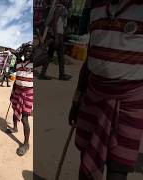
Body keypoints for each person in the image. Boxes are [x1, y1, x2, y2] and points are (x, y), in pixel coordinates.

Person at [68, 0, 143, 179]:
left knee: (118, 167)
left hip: (130, 101)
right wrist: (76, 100)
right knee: (87, 157)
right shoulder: (97, 9)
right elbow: (90, 61)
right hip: (93, 95)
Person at [6, 42, 34, 156]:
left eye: (30, 51)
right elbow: (17, 79)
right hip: (17, 91)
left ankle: (26, 143)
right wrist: (13, 93)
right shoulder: (18, 64)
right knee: (14, 109)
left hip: (28, 93)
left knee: (24, 119)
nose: (28, 52)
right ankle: (14, 128)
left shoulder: (34, 64)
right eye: (26, 50)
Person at [38, 0, 72, 81]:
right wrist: (56, 37)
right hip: (57, 35)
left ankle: (43, 74)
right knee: (60, 56)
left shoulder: (59, 7)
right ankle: (62, 75)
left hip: (56, 34)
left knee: (50, 55)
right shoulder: (59, 8)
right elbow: (54, 22)